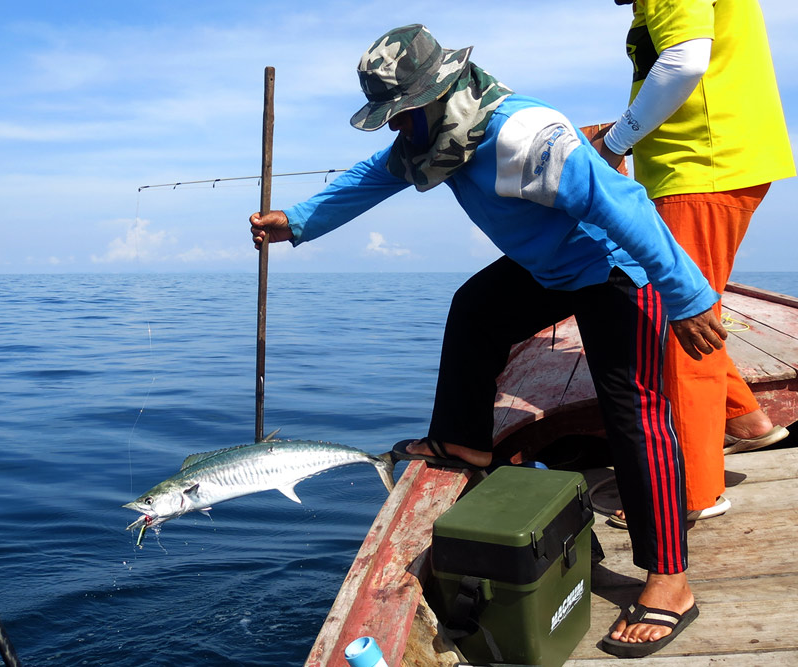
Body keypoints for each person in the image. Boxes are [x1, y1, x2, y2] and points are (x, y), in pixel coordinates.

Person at [251, 24, 727, 658]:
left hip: (614, 267)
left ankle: (671, 582)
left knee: (633, 412)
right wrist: (298, 223)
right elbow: (371, 178)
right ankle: (466, 444)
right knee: (475, 309)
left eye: (400, 115)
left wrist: (687, 296)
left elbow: (626, 205)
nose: (396, 129)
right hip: (551, 267)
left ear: (438, 91)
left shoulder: (527, 138)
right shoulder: (432, 138)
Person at [592, 0, 795, 522]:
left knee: (679, 325)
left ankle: (692, 493)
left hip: (702, 169)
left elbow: (683, 59)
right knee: (688, 307)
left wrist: (615, 143)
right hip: (709, 165)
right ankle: (744, 420)